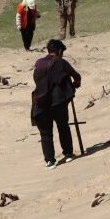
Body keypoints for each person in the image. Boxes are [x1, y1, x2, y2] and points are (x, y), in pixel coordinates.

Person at [31, 38, 81, 168]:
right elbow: (76, 76)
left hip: (40, 102)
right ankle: (68, 154)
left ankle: (50, 161)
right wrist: (75, 85)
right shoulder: (61, 62)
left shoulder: (38, 63)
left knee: (45, 133)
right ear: (59, 51)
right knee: (63, 127)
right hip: (58, 102)